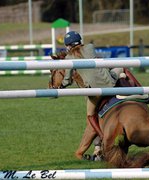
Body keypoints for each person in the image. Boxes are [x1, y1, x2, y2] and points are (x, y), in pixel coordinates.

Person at [61, 31, 123, 159]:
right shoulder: (90, 47)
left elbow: (67, 80)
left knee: (90, 116)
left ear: (68, 46)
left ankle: (102, 136)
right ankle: (141, 94)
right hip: (110, 84)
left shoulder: (68, 58)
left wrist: (61, 86)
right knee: (122, 68)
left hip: (94, 92)